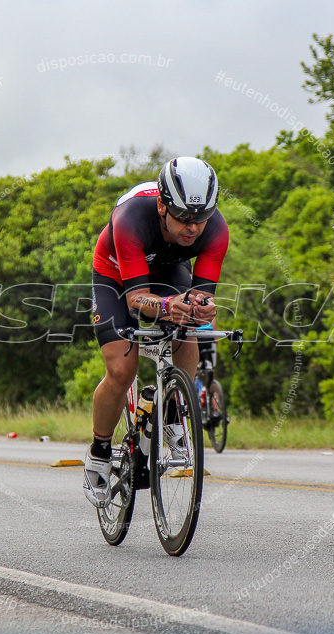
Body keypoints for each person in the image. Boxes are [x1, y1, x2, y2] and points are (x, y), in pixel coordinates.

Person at [84, 157, 228, 507]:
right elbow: (135, 299)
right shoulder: (130, 217)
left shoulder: (216, 229)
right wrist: (166, 307)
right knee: (121, 370)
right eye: (184, 218)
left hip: (167, 270)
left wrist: (199, 307)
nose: (193, 228)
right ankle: (100, 450)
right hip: (116, 277)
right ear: (162, 205)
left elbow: (201, 293)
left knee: (188, 327)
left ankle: (174, 411)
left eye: (201, 218)